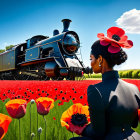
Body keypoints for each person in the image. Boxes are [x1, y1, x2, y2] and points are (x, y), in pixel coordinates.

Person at [70, 27, 140, 140]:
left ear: (100, 59)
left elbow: (98, 133)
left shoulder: (96, 90)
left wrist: (81, 129)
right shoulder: (134, 88)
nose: (91, 63)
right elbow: (134, 124)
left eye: (91, 58)